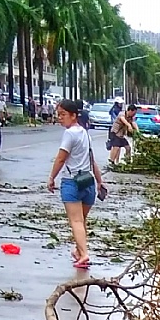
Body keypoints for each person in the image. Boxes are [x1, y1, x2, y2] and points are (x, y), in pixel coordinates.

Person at [48, 97, 106, 269]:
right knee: (81, 221)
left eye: (63, 114)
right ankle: (78, 251)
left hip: (72, 182)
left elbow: (61, 158)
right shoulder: (84, 133)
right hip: (88, 182)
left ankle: (84, 254)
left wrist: (51, 178)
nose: (60, 118)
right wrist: (99, 181)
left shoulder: (69, 134)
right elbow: (91, 159)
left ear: (73, 115)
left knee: (76, 221)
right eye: (58, 114)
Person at [106, 102, 135, 169]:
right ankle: (111, 162)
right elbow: (123, 120)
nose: (134, 115)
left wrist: (137, 130)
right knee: (116, 147)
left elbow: (133, 123)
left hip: (121, 135)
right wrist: (129, 125)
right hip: (115, 133)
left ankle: (128, 162)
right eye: (133, 113)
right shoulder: (122, 114)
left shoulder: (130, 117)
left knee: (128, 148)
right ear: (130, 111)